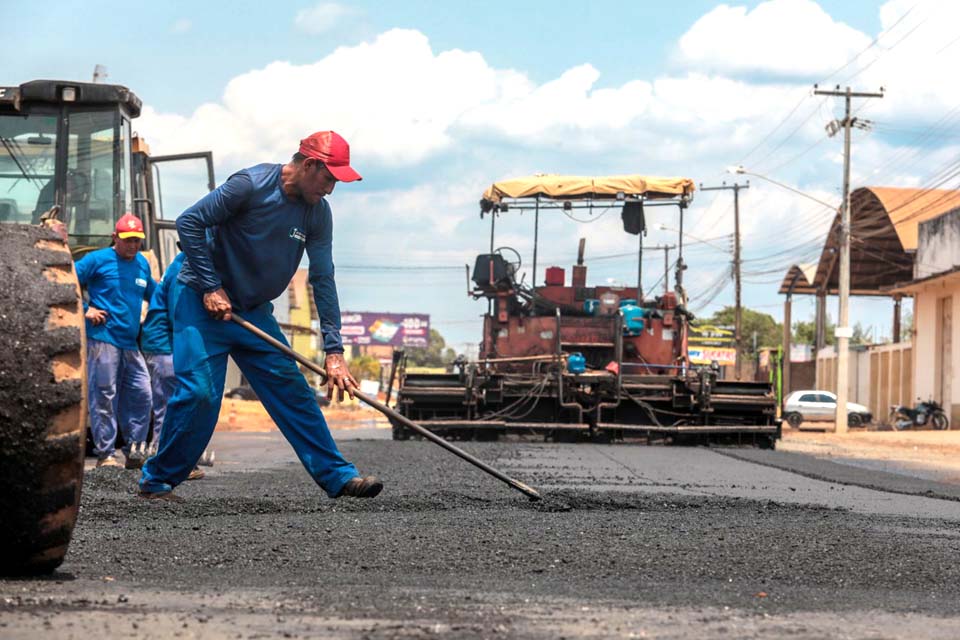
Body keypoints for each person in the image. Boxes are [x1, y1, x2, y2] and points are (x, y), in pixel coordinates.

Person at [139, 131, 382, 501]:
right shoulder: (249, 185)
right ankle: (157, 481)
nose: (331, 189)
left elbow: (323, 277)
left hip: (253, 313)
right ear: (310, 165)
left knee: (293, 389)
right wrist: (210, 286)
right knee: (200, 393)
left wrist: (334, 351)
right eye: (329, 178)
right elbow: (189, 222)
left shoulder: (317, 213)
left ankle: (337, 476)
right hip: (201, 301)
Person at [76, 213, 156, 469]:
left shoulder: (142, 264)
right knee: (104, 395)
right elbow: (66, 281)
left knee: (143, 394)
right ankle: (105, 454)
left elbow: (156, 295)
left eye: (137, 240)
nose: (133, 245)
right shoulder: (97, 260)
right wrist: (85, 308)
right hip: (103, 339)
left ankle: (134, 450)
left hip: (131, 343)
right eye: (128, 239)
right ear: (115, 237)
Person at [139, 252, 205, 481]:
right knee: (170, 406)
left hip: (167, 344)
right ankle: (164, 464)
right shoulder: (182, 269)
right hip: (164, 346)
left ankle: (172, 462)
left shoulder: (184, 265)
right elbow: (180, 314)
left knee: (172, 404)